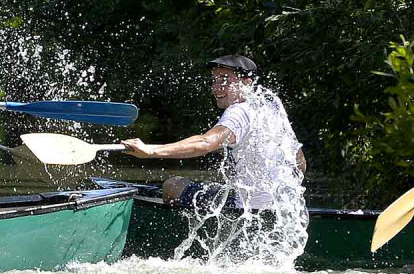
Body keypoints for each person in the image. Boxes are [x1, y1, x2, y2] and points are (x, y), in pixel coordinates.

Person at [120, 54, 306, 211]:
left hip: (247, 210)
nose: (217, 88)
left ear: (247, 83)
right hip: (286, 209)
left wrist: (150, 151)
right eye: (214, 81)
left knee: (173, 184)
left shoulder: (239, 111)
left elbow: (205, 143)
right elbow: (300, 163)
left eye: (225, 80)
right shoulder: (272, 108)